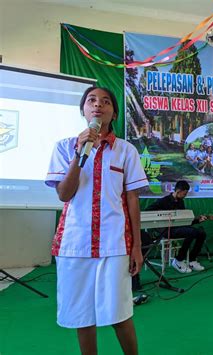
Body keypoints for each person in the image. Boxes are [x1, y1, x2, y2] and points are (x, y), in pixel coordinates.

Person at [45, 87, 148, 355]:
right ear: (83, 110)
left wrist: (136, 247)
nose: (98, 105)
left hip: (114, 244)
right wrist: (80, 154)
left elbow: (132, 200)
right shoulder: (64, 147)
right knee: (82, 316)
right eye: (91, 100)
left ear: (114, 112)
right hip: (75, 244)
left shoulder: (126, 151)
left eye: (105, 102)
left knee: (119, 313)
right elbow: (64, 194)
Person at [145, 180, 213, 273]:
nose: (185, 196)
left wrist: (198, 220)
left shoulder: (181, 202)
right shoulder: (163, 201)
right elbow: (147, 211)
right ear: (178, 191)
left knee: (201, 233)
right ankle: (178, 260)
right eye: (184, 194)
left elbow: (184, 221)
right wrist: (161, 218)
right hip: (166, 230)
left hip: (178, 228)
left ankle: (192, 260)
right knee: (191, 232)